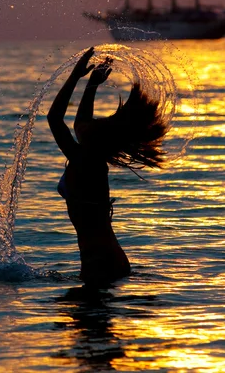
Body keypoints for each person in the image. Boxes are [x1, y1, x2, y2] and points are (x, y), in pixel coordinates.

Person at [47, 47, 169, 286]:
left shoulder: (87, 161)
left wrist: (75, 76)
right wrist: (92, 83)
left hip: (102, 263)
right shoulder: (90, 158)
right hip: (103, 261)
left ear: (95, 139)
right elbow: (80, 122)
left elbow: (55, 119)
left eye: (95, 124)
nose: (86, 124)